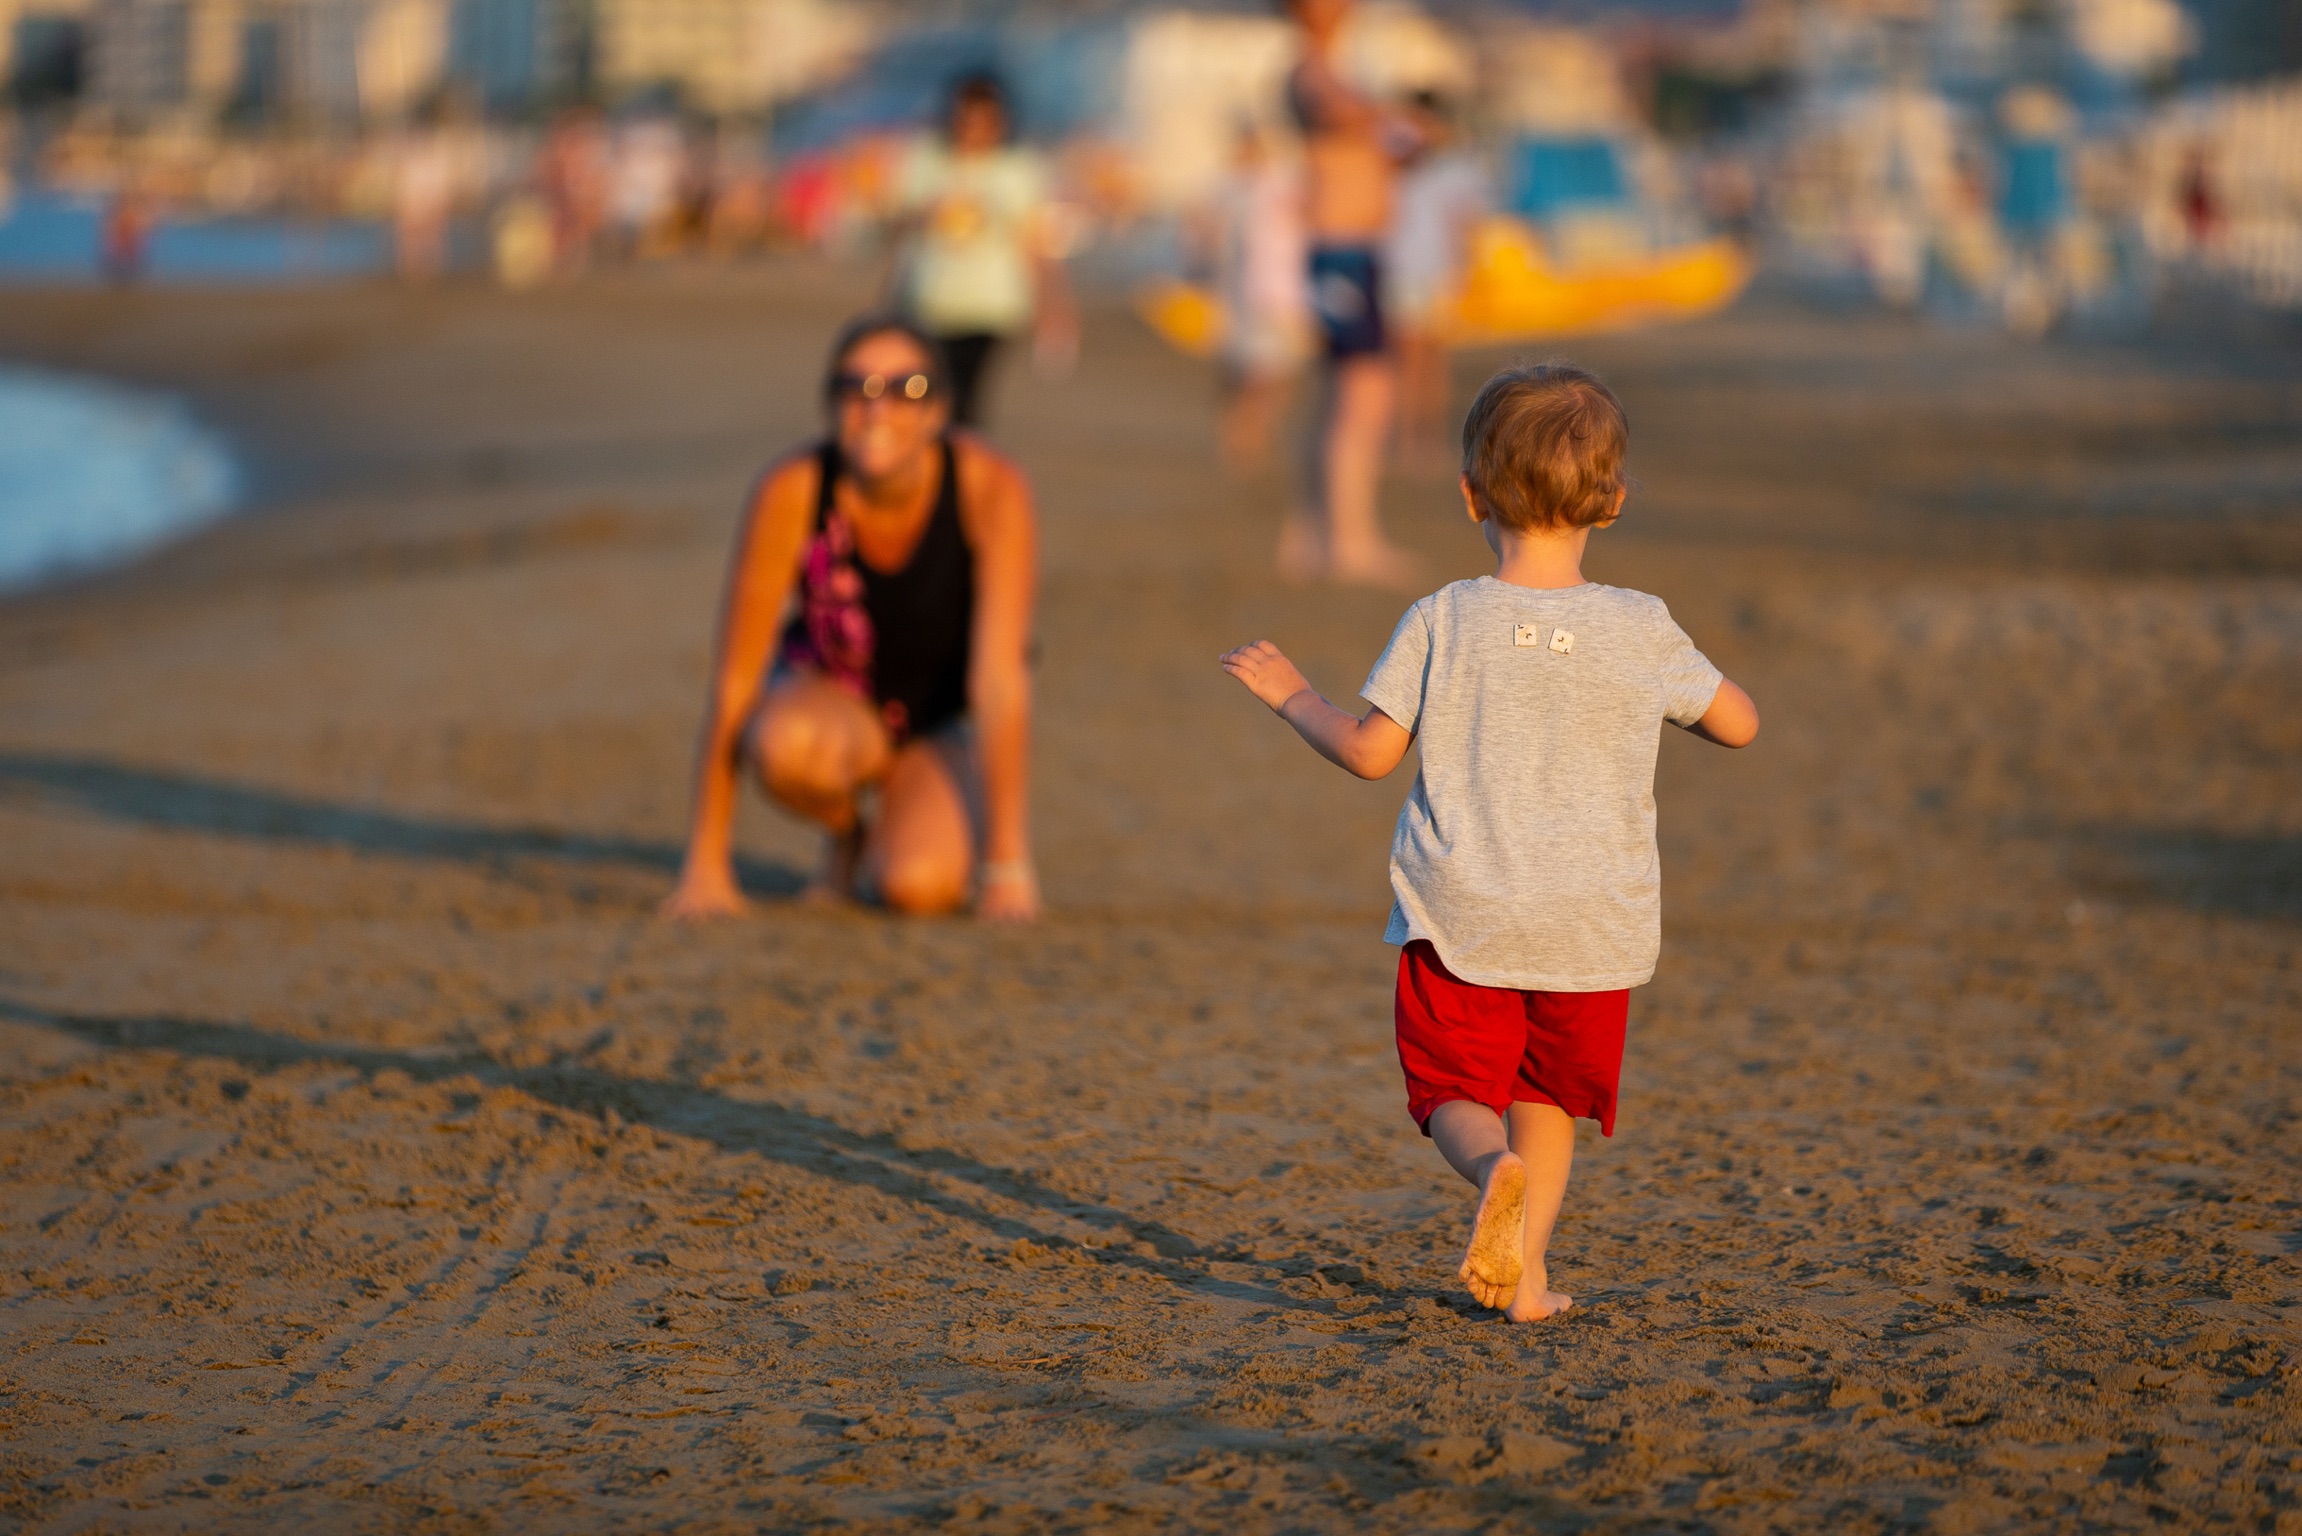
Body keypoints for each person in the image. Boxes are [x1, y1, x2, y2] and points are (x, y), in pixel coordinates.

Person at [1220, 364, 1758, 1319]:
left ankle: (1488, 1170)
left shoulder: (1443, 617)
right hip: (1593, 922)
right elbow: (1739, 725)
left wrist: (1292, 696)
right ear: (1614, 500)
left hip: (1462, 909)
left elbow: (1368, 752)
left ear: (1469, 492)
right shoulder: (1641, 626)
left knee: (1449, 1088)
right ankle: (1530, 1277)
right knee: (1548, 1096)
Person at [666, 316, 1041, 922]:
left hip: (935, 726)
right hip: (831, 705)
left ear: (940, 410)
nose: (878, 407)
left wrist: (1008, 870)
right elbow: (737, 679)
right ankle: (845, 829)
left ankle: (897, 822)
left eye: (907, 389)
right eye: (856, 387)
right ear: (831, 404)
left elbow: (1000, 679)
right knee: (782, 744)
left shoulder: (990, 486)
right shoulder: (793, 489)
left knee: (918, 888)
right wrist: (707, 866)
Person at [1279, 0, 1421, 587]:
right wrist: (1394, 119)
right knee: (1363, 393)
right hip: (1341, 250)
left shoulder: (1329, 69)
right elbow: (1341, 115)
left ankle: (1317, 534)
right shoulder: (1309, 71)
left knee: (1347, 393)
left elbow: (1374, 137)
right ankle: (1349, 539)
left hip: (1353, 250)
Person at [890, 74, 1076, 429]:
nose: (974, 131)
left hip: (992, 307)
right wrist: (924, 214)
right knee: (922, 393)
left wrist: (1055, 308)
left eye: (984, 122)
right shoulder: (928, 160)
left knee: (964, 397)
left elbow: (1037, 244)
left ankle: (960, 468)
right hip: (928, 302)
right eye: (966, 120)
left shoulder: (1017, 170)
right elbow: (895, 231)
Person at [1384, 91, 1486, 473]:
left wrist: (1465, 269)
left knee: (1432, 360)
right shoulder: (1394, 158)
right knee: (1407, 358)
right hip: (1400, 270)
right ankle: (1407, 437)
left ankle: (1426, 436)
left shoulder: (1453, 166)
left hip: (1438, 273)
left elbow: (1464, 221)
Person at [1206, 118, 1310, 475]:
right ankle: (1244, 436)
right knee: (1257, 371)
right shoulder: (1239, 187)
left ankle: (1249, 434)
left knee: (1268, 371)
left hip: (1273, 289)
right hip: (1259, 292)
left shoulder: (1270, 184)